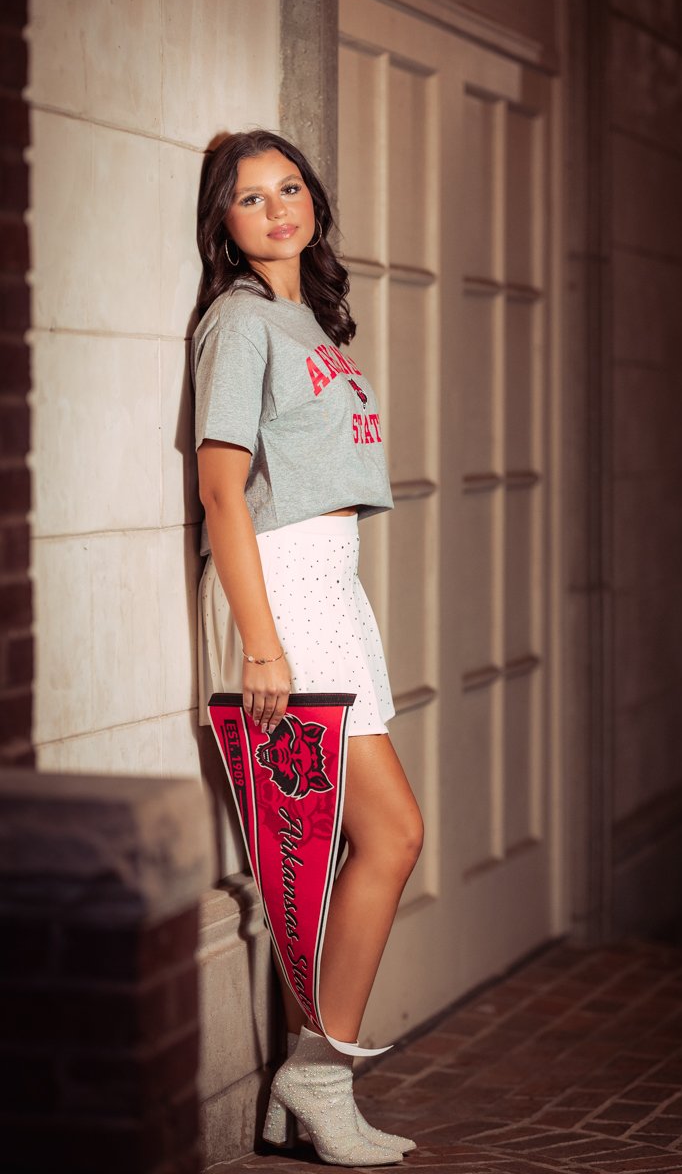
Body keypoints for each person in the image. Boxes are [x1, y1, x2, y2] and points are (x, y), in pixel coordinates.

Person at [192, 129, 424, 1167]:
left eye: (290, 187)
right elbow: (220, 491)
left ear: (314, 202)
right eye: (250, 196)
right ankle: (320, 1075)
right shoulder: (241, 322)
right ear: (224, 221)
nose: (278, 207)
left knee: (333, 846)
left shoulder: (306, 320)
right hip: (282, 589)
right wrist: (261, 645)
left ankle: (308, 1091)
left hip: (329, 583)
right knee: (392, 834)